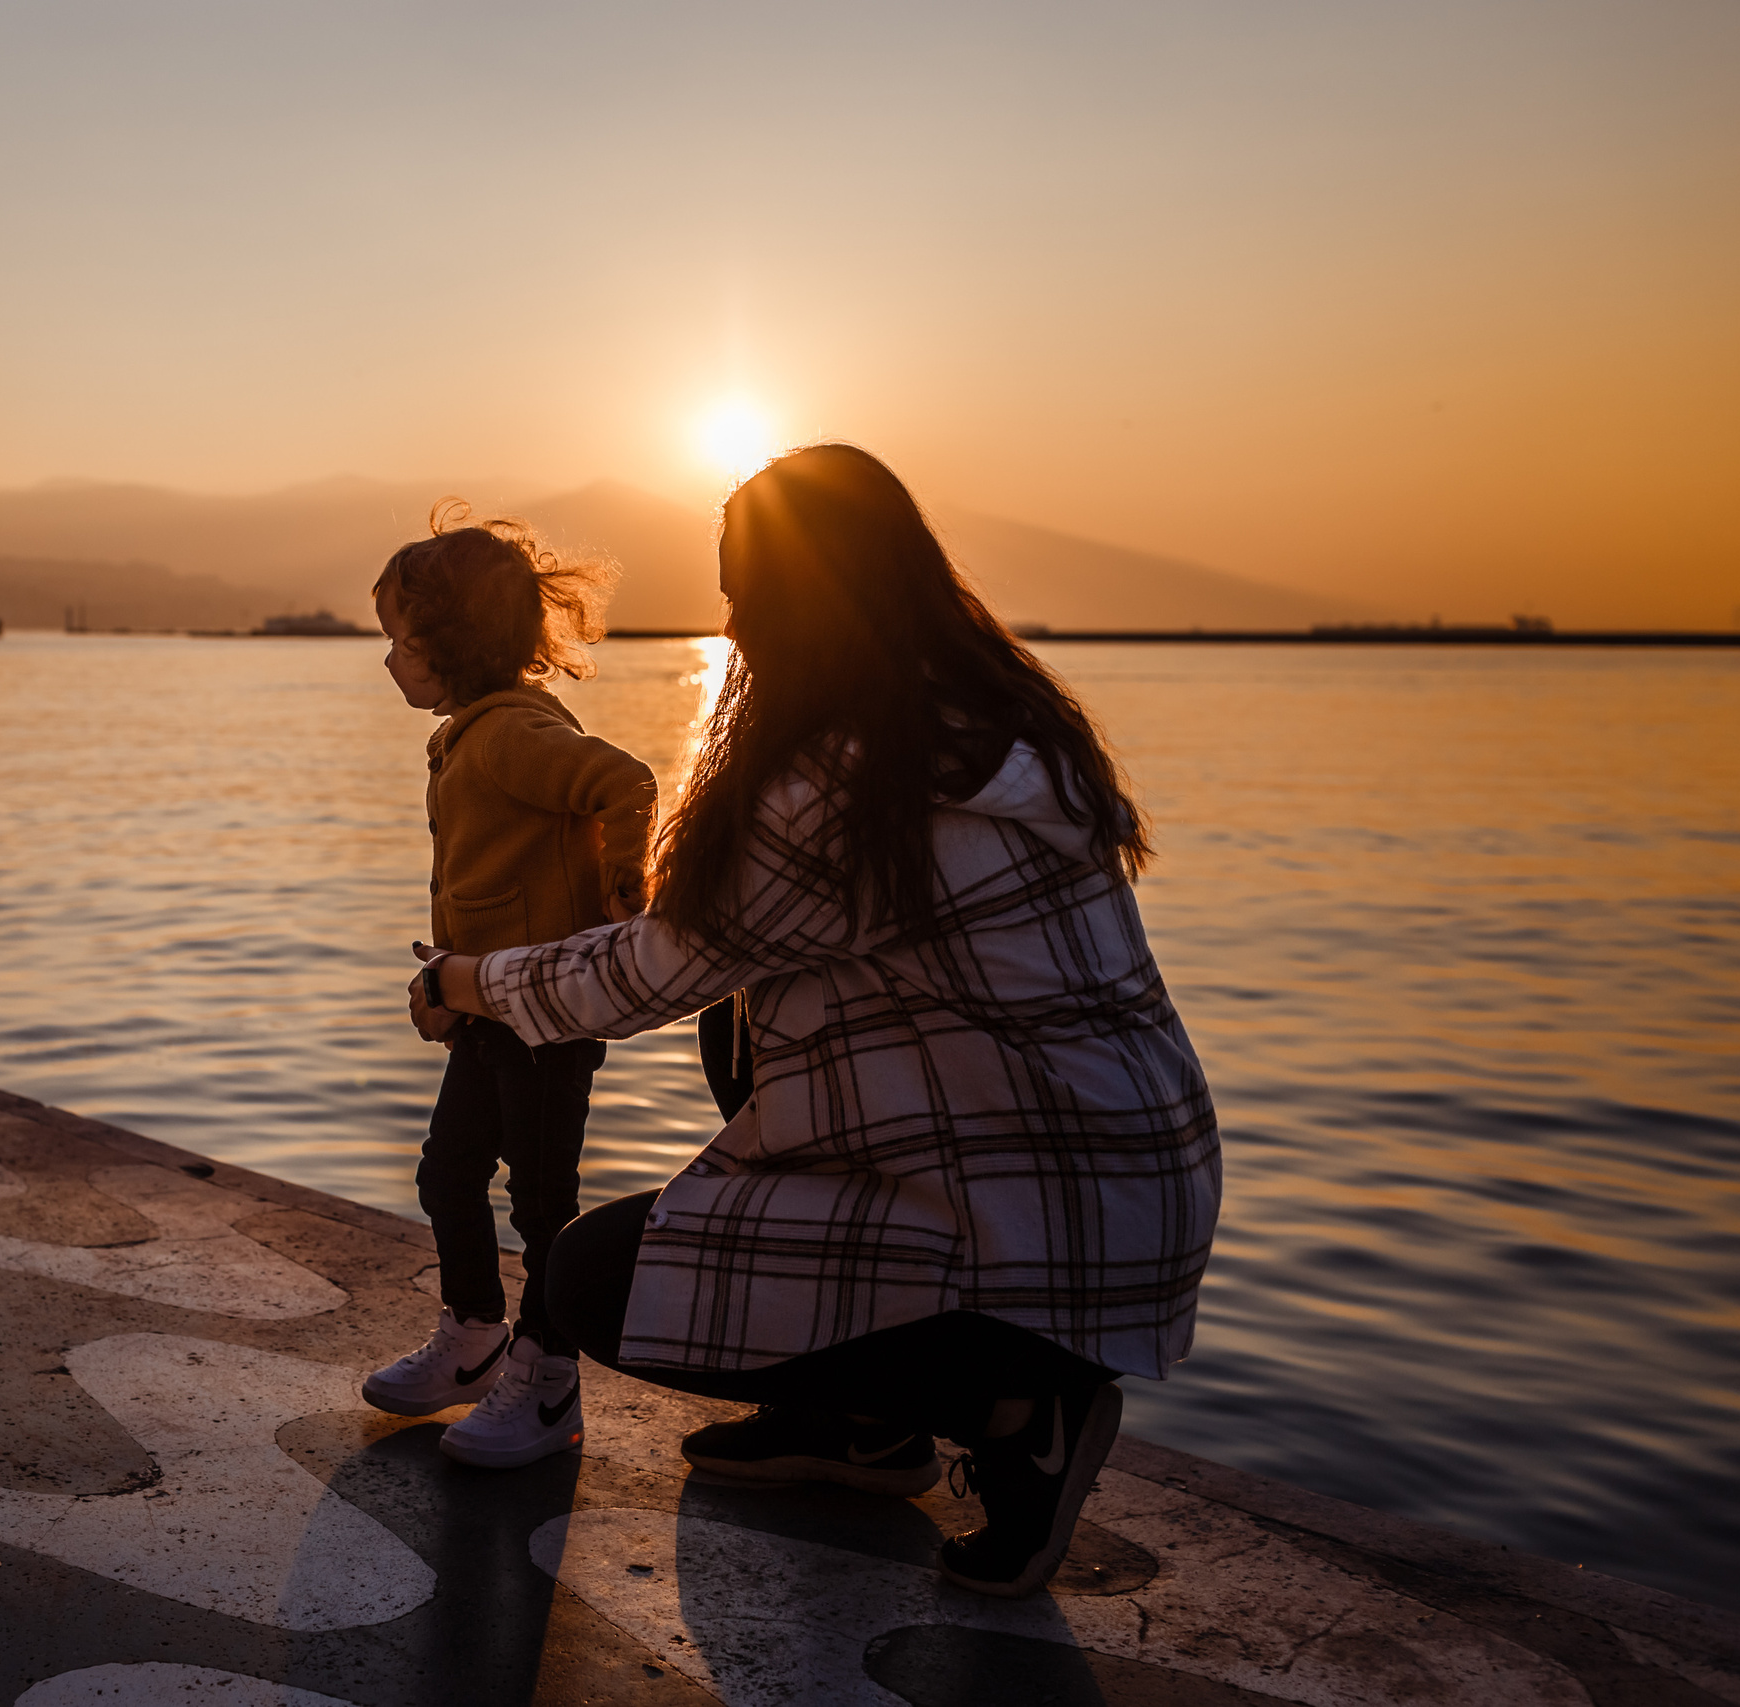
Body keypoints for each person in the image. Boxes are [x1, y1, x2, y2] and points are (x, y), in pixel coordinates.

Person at [405, 445, 1220, 1595]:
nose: (731, 624)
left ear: (808, 598)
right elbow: (716, 949)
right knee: (740, 1029)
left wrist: (465, 982)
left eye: (743, 592)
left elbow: (645, 975)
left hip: (1035, 1207)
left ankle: (1020, 1408)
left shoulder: (847, 778)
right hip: (1115, 1169)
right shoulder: (993, 724)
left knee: (591, 1284)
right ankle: (856, 1426)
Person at [361, 501, 657, 1470]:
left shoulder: (507, 735)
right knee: (447, 1172)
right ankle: (476, 1332)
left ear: (451, 644)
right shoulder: (476, 732)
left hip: (546, 1017)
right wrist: (451, 989)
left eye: (401, 640)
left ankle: (549, 1371)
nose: (391, 660)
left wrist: (624, 886)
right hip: (491, 1013)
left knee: (541, 1203)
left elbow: (621, 781)